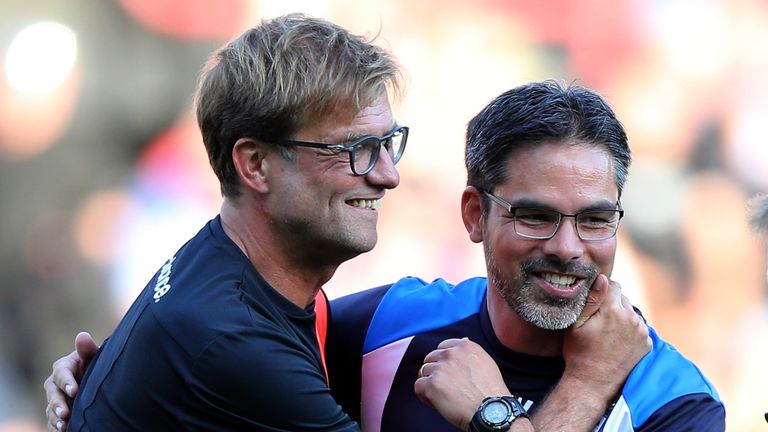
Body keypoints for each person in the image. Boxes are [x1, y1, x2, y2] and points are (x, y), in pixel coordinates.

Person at [43, 15, 651, 432]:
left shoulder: (237, 284)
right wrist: (581, 387)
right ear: (255, 164)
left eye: (390, 144)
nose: (387, 176)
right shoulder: (235, 342)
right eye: (356, 150)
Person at [325, 81, 725, 431]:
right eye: (535, 217)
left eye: (595, 220)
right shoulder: (378, 328)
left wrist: (492, 416)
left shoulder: (674, 402)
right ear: (475, 215)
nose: (567, 248)